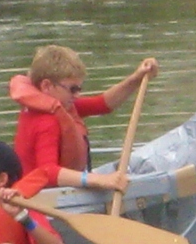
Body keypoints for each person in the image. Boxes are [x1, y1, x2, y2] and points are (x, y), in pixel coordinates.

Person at [9, 44, 159, 190]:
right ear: (47, 86)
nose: (77, 95)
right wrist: (98, 179)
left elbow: (103, 104)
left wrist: (137, 78)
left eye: (79, 89)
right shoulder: (46, 121)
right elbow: (47, 171)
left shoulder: (60, 107)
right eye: (73, 89)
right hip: (41, 200)